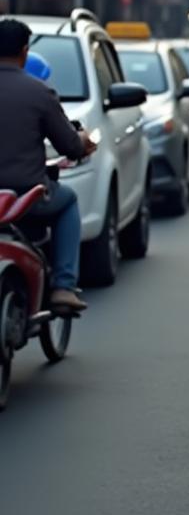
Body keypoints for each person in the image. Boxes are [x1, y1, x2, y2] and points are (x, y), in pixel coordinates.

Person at [0, 17, 96, 312]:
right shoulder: (40, 92)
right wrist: (84, 141)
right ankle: (64, 287)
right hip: (24, 197)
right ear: (25, 52)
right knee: (68, 201)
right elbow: (69, 145)